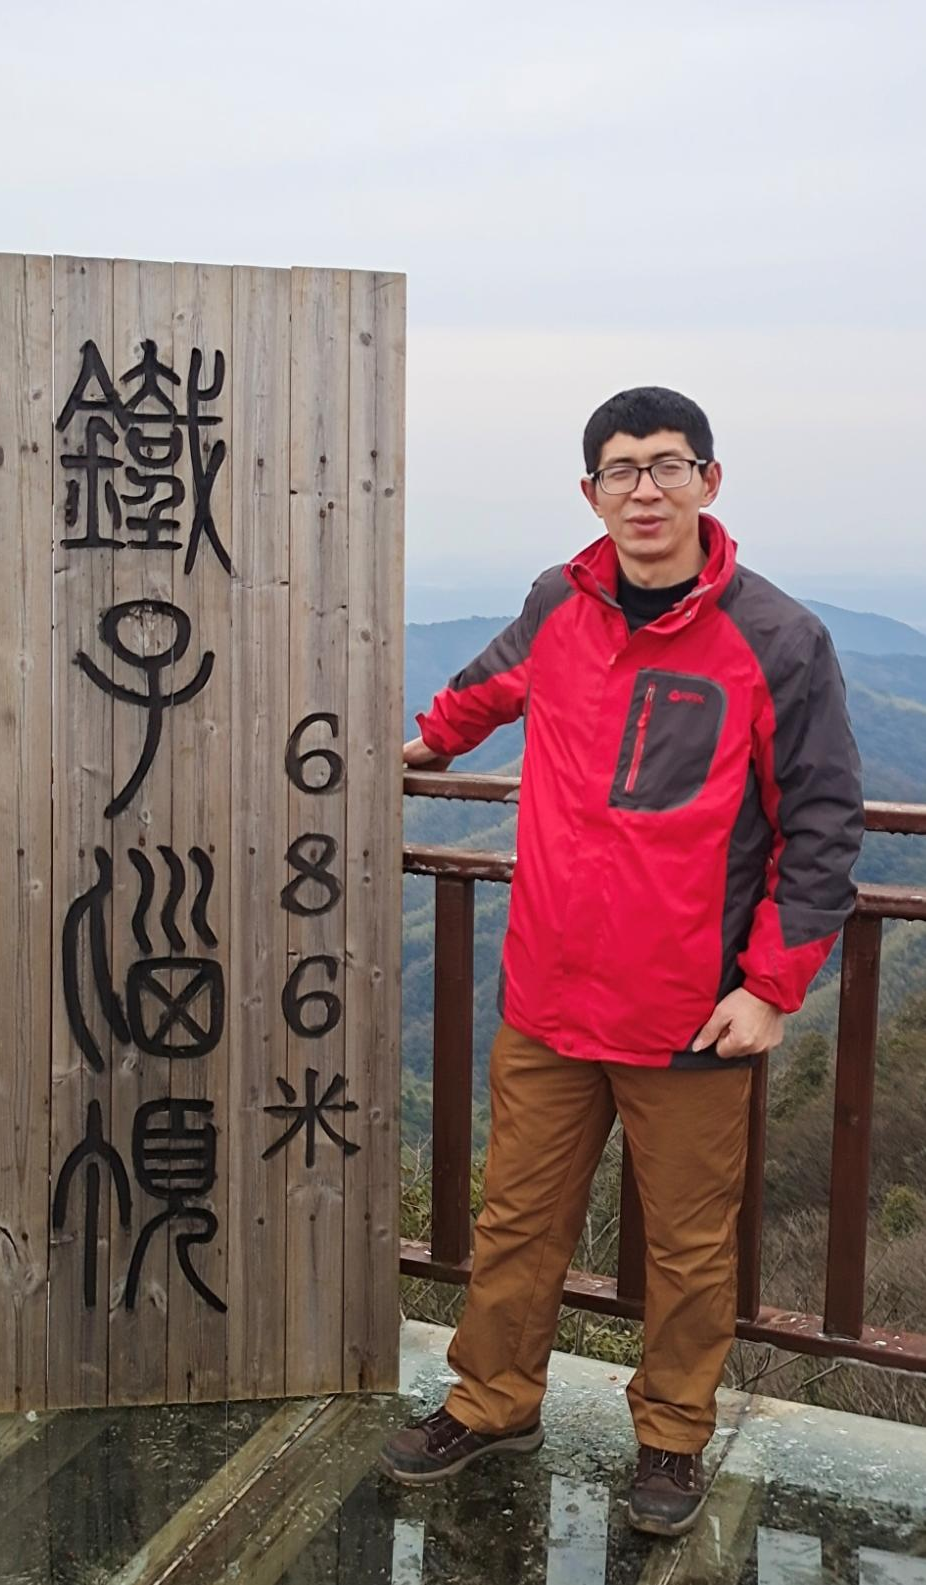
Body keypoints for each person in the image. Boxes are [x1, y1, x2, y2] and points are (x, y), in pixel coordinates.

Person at [380, 387, 863, 1536]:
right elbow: (489, 685)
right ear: (590, 491)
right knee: (516, 1219)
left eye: (665, 465)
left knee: (687, 1245)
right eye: (619, 470)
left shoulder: (777, 638)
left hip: (689, 1011)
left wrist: (769, 987)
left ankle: (672, 1437)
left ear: (707, 480)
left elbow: (822, 822)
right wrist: (421, 743)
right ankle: (491, 1400)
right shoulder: (561, 600)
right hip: (548, 993)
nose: (643, 489)